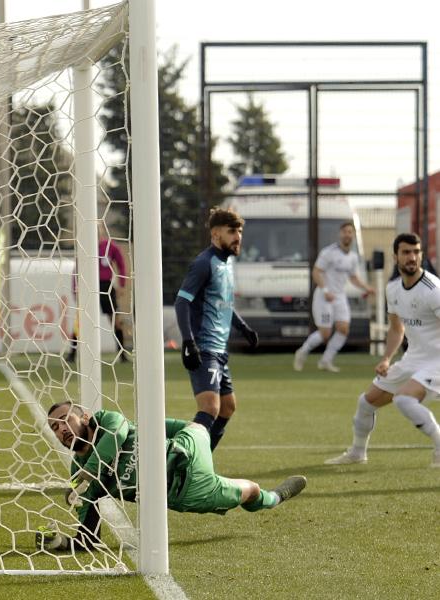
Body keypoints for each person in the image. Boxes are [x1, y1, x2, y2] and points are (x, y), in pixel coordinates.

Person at [36, 401, 307, 552]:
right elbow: (88, 533)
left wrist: (88, 474)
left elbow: (119, 433)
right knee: (250, 491)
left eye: (64, 419)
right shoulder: (79, 474)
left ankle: (207, 418)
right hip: (187, 491)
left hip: (186, 446)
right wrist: (62, 542)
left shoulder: (107, 420)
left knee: (197, 426)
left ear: (84, 415)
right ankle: (275, 497)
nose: (61, 429)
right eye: (54, 428)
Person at [325, 233, 440, 468]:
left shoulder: (434, 290)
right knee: (366, 402)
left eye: (416, 252)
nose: (412, 257)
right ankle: (357, 453)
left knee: (404, 399)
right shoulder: (393, 289)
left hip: (437, 361)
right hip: (413, 359)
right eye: (406, 252)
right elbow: (397, 329)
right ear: (395, 256)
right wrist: (387, 358)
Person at [174, 208, 258, 451]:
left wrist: (244, 328)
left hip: (220, 351)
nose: (238, 236)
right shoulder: (204, 263)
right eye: (232, 231)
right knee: (210, 408)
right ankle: (180, 461)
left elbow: (224, 305)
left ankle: (202, 461)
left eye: (240, 231)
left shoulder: (227, 264)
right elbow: (182, 301)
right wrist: (189, 342)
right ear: (215, 234)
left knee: (228, 407)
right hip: (204, 348)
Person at [293, 221, 374, 373]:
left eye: (350, 232)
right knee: (325, 334)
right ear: (340, 234)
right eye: (345, 232)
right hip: (324, 296)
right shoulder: (328, 252)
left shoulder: (353, 257)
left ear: (353, 235)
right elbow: (316, 272)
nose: (347, 235)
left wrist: (367, 288)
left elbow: (353, 278)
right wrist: (325, 290)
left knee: (343, 329)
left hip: (339, 296)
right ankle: (302, 352)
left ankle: (326, 361)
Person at [67, 226, 129, 363]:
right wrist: (75, 288)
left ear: (102, 231)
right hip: (88, 287)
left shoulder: (111, 247)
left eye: (97, 229)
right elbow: (77, 269)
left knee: (116, 321)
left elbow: (121, 264)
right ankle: (72, 354)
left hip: (106, 287)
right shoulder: (85, 247)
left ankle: (122, 354)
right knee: (81, 321)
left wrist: (122, 284)